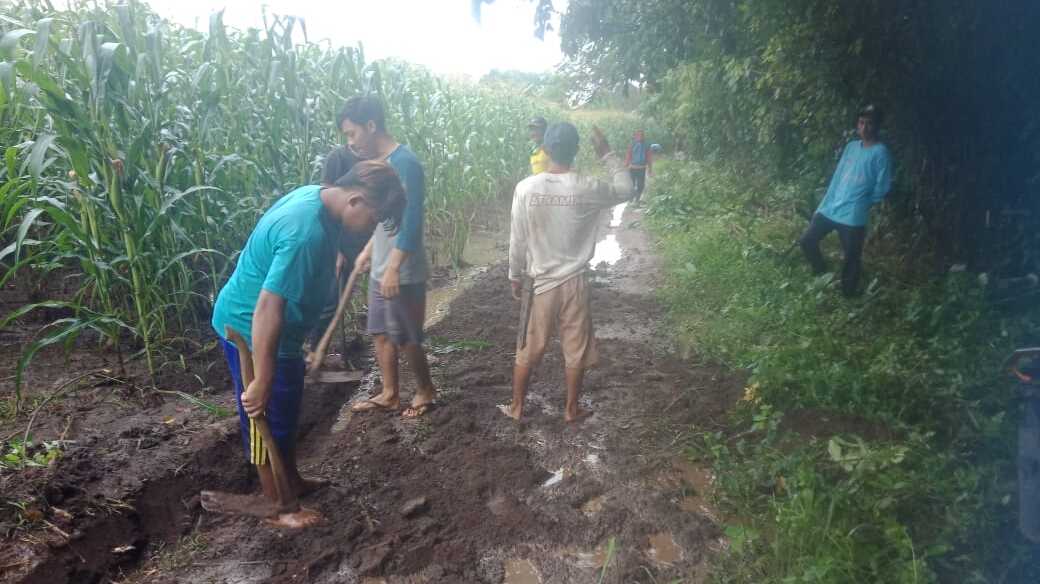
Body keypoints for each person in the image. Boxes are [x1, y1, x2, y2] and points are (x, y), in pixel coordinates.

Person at [205, 161, 406, 526]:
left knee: (287, 410)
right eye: (374, 219)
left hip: (282, 335)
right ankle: (282, 508)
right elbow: (268, 307)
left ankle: (292, 481)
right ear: (356, 201)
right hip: (253, 333)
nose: (373, 229)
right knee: (267, 419)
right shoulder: (305, 233)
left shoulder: (318, 199)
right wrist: (262, 379)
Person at [501, 122, 634, 423]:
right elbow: (627, 189)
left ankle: (517, 407)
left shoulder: (526, 188)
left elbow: (517, 238)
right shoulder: (588, 187)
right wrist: (607, 154)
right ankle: (571, 409)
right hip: (575, 282)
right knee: (576, 348)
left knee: (528, 347)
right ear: (576, 151)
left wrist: (514, 274)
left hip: (540, 285)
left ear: (545, 149)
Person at [339, 96, 437, 419]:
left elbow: (411, 221)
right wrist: (369, 251)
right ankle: (390, 393)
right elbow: (381, 219)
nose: (350, 143)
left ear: (371, 125)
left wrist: (394, 266)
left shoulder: (405, 163)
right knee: (380, 332)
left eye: (352, 134)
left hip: (402, 269)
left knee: (407, 335)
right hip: (381, 264)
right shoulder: (376, 167)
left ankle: (425, 391)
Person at [799, 104, 892, 297]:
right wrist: (823, 205)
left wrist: (865, 202)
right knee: (807, 240)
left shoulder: (880, 152)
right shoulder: (851, 147)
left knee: (851, 256)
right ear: (857, 125)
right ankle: (821, 273)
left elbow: (883, 186)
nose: (864, 128)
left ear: (877, 127)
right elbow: (837, 177)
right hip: (831, 207)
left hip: (854, 214)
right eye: (861, 123)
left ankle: (848, 294)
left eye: (869, 124)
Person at [625, 130, 653, 202]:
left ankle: (637, 199)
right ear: (635, 136)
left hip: (642, 168)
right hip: (632, 168)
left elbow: (649, 157)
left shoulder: (646, 146)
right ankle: (631, 199)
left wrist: (650, 169)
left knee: (641, 185)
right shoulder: (632, 145)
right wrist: (626, 165)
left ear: (644, 137)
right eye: (638, 135)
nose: (640, 137)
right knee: (632, 184)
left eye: (642, 135)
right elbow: (628, 155)